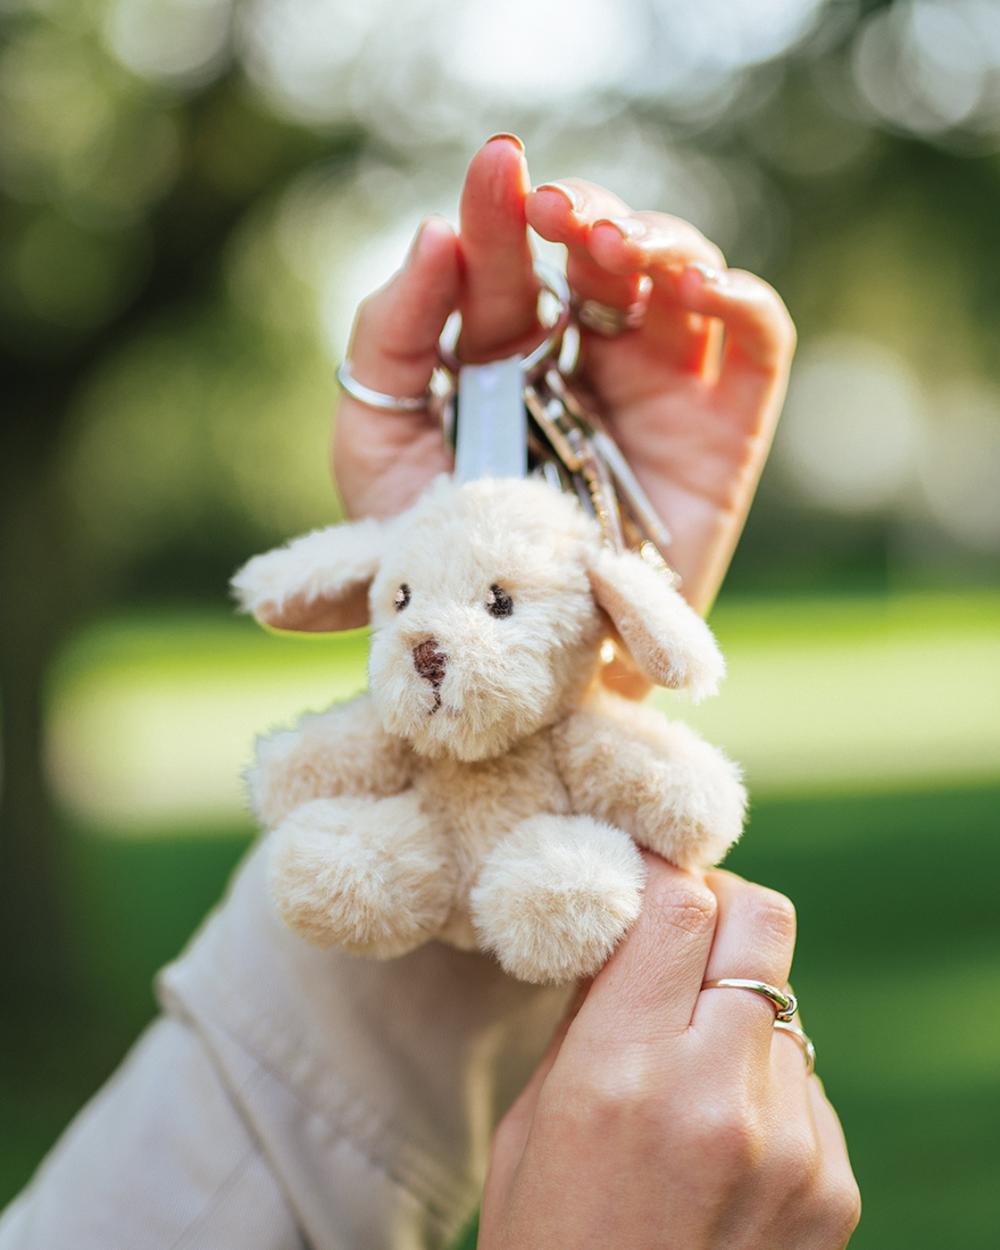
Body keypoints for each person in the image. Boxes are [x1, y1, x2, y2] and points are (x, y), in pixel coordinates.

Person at [0, 137, 860, 1249]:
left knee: (558, 881)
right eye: (402, 599)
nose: (427, 640)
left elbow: (180, 1190)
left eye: (493, 604)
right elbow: (306, 769)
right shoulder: (399, 707)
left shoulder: (584, 654)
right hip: (416, 851)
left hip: (524, 868)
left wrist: (600, 655)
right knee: (346, 851)